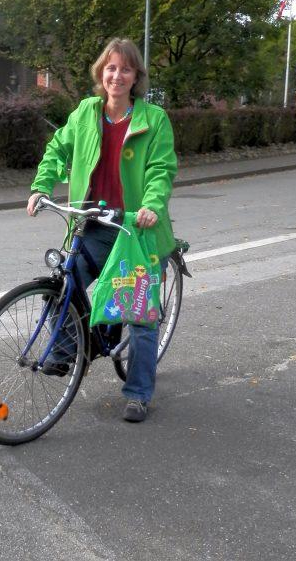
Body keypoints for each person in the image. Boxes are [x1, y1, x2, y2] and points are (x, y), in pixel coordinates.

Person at [26, 38, 177, 423]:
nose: (117, 75)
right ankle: (67, 351)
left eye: (125, 69)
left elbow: (161, 169)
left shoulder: (153, 119)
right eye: (111, 68)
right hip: (92, 223)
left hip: (135, 232)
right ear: (101, 73)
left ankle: (139, 392)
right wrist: (42, 186)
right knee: (64, 284)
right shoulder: (85, 113)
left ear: (135, 76)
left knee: (141, 317)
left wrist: (152, 206)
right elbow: (57, 149)